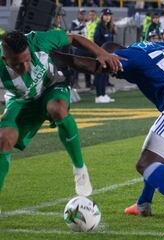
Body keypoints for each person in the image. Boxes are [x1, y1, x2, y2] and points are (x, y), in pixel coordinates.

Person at [51, 40, 164, 234]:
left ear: (113, 55)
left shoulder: (126, 57)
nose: (112, 71)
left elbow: (89, 65)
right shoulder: (150, 45)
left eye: (110, 64)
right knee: (153, 154)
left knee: (146, 164)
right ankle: (143, 204)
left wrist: (53, 54)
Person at [0, 30, 120, 197]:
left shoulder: (38, 41)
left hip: (52, 86)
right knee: (4, 138)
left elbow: (75, 38)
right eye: (18, 64)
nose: (25, 67)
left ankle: (80, 170)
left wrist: (102, 53)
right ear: (5, 59)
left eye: (27, 60)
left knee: (57, 108)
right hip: (21, 99)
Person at [94, 8, 116, 103]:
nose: (108, 17)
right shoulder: (99, 26)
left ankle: (103, 94)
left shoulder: (109, 27)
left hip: (108, 54)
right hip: (101, 54)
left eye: (109, 15)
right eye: (106, 15)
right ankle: (98, 96)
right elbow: (96, 40)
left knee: (105, 74)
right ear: (102, 16)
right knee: (100, 74)